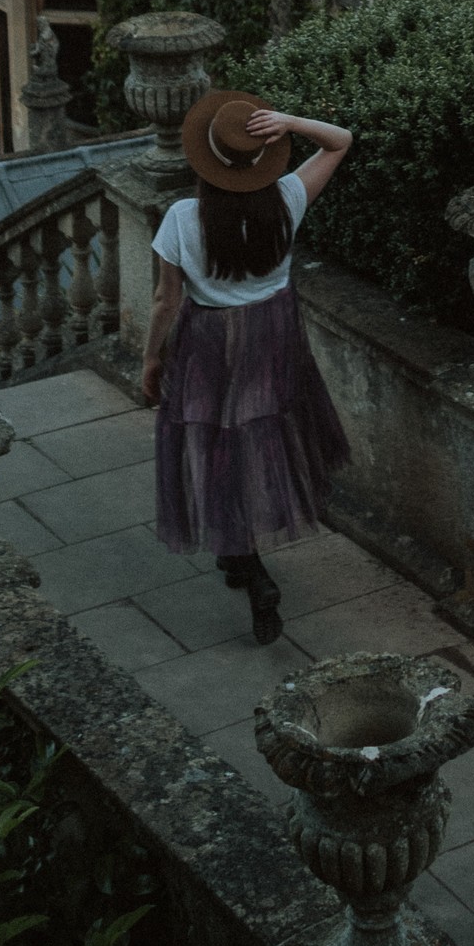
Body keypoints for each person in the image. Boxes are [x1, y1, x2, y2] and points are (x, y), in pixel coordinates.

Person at [141, 89, 352, 643]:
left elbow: (165, 301)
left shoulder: (183, 218)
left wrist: (151, 357)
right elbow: (341, 141)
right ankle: (239, 557)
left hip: (208, 341)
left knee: (213, 445)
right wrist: (290, 121)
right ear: (262, 157)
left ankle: (250, 567)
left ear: (204, 160)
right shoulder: (287, 197)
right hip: (273, 336)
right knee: (259, 437)